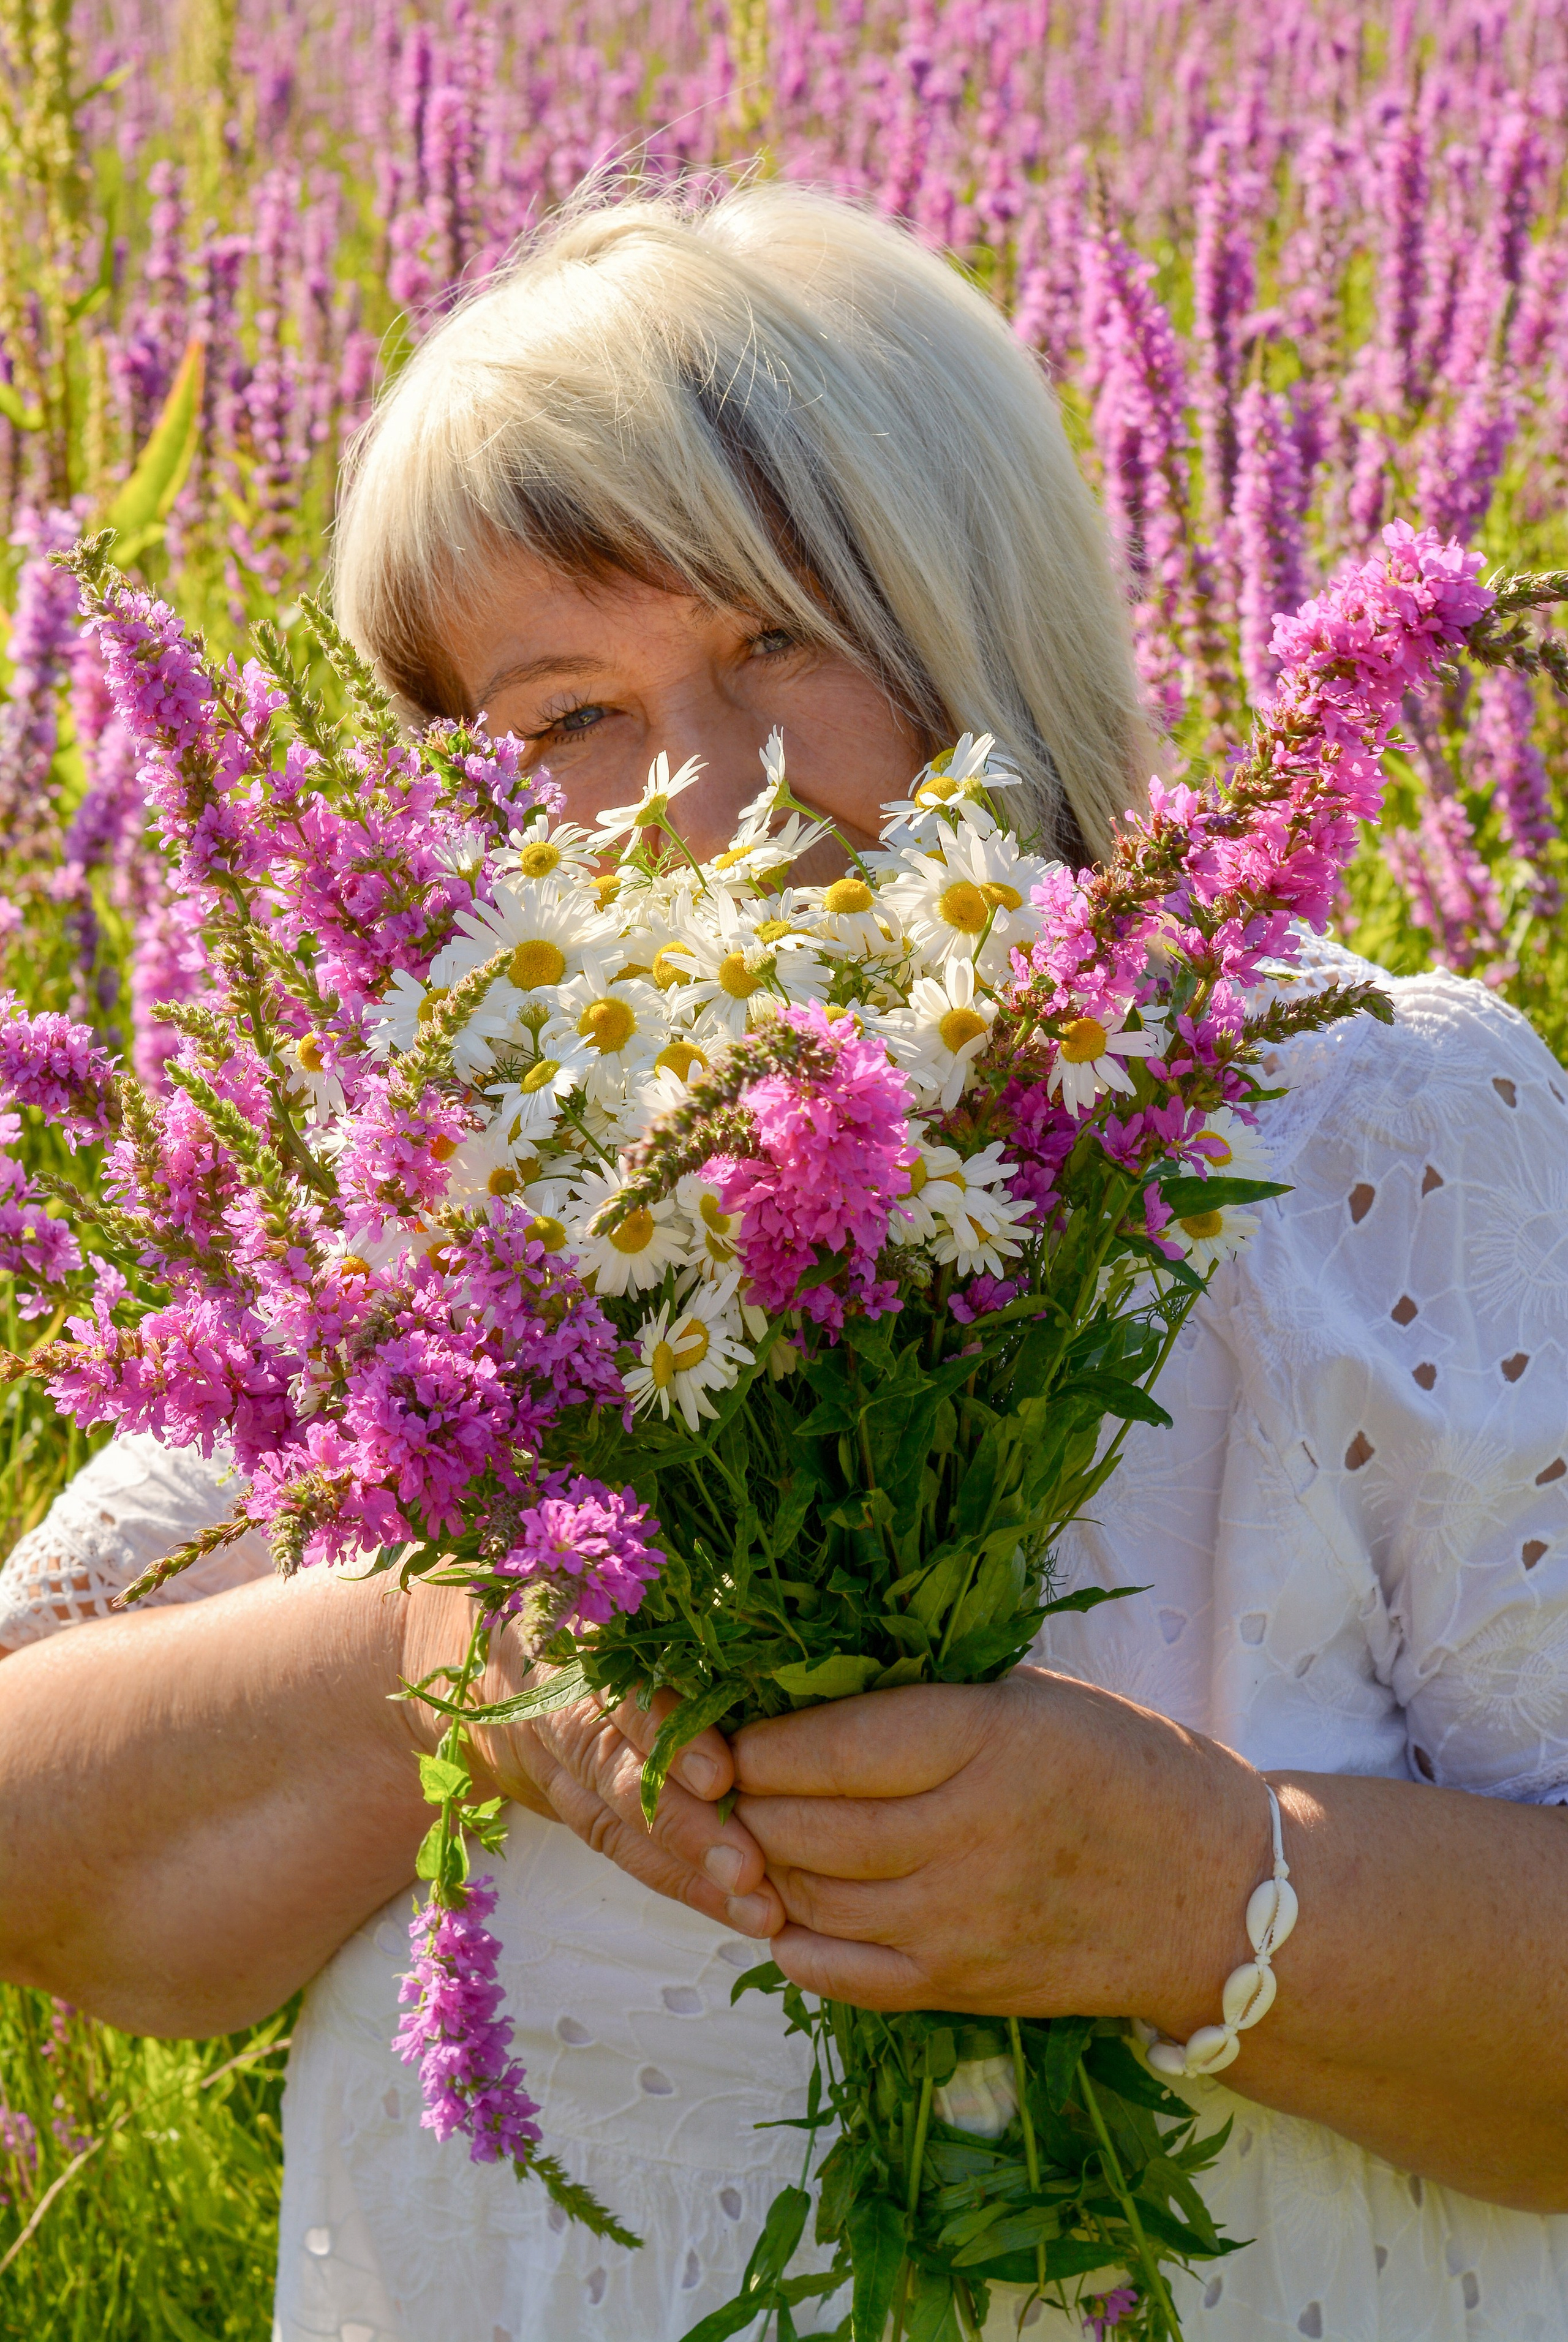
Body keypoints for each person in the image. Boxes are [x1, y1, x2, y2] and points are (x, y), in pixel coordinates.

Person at [2, 182, 1567, 2342]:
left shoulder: (1371, 1124)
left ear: (978, 616)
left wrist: (1192, 1890)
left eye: (775, 640)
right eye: (567, 714)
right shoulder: (435, 1202)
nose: (710, 791)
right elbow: (61, 1876)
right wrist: (467, 1644)